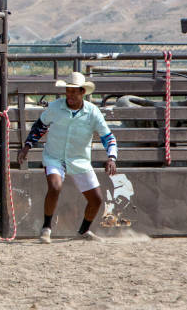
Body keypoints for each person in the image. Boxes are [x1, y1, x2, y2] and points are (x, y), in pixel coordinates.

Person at [17, 72, 118, 243]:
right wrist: (27, 146)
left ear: (82, 92)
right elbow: (39, 126)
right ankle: (46, 228)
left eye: (74, 91)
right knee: (55, 187)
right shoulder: (55, 108)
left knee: (96, 199)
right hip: (54, 156)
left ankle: (83, 230)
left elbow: (107, 136)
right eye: (68, 91)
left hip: (79, 159)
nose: (70, 95)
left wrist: (112, 157)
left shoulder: (92, 112)